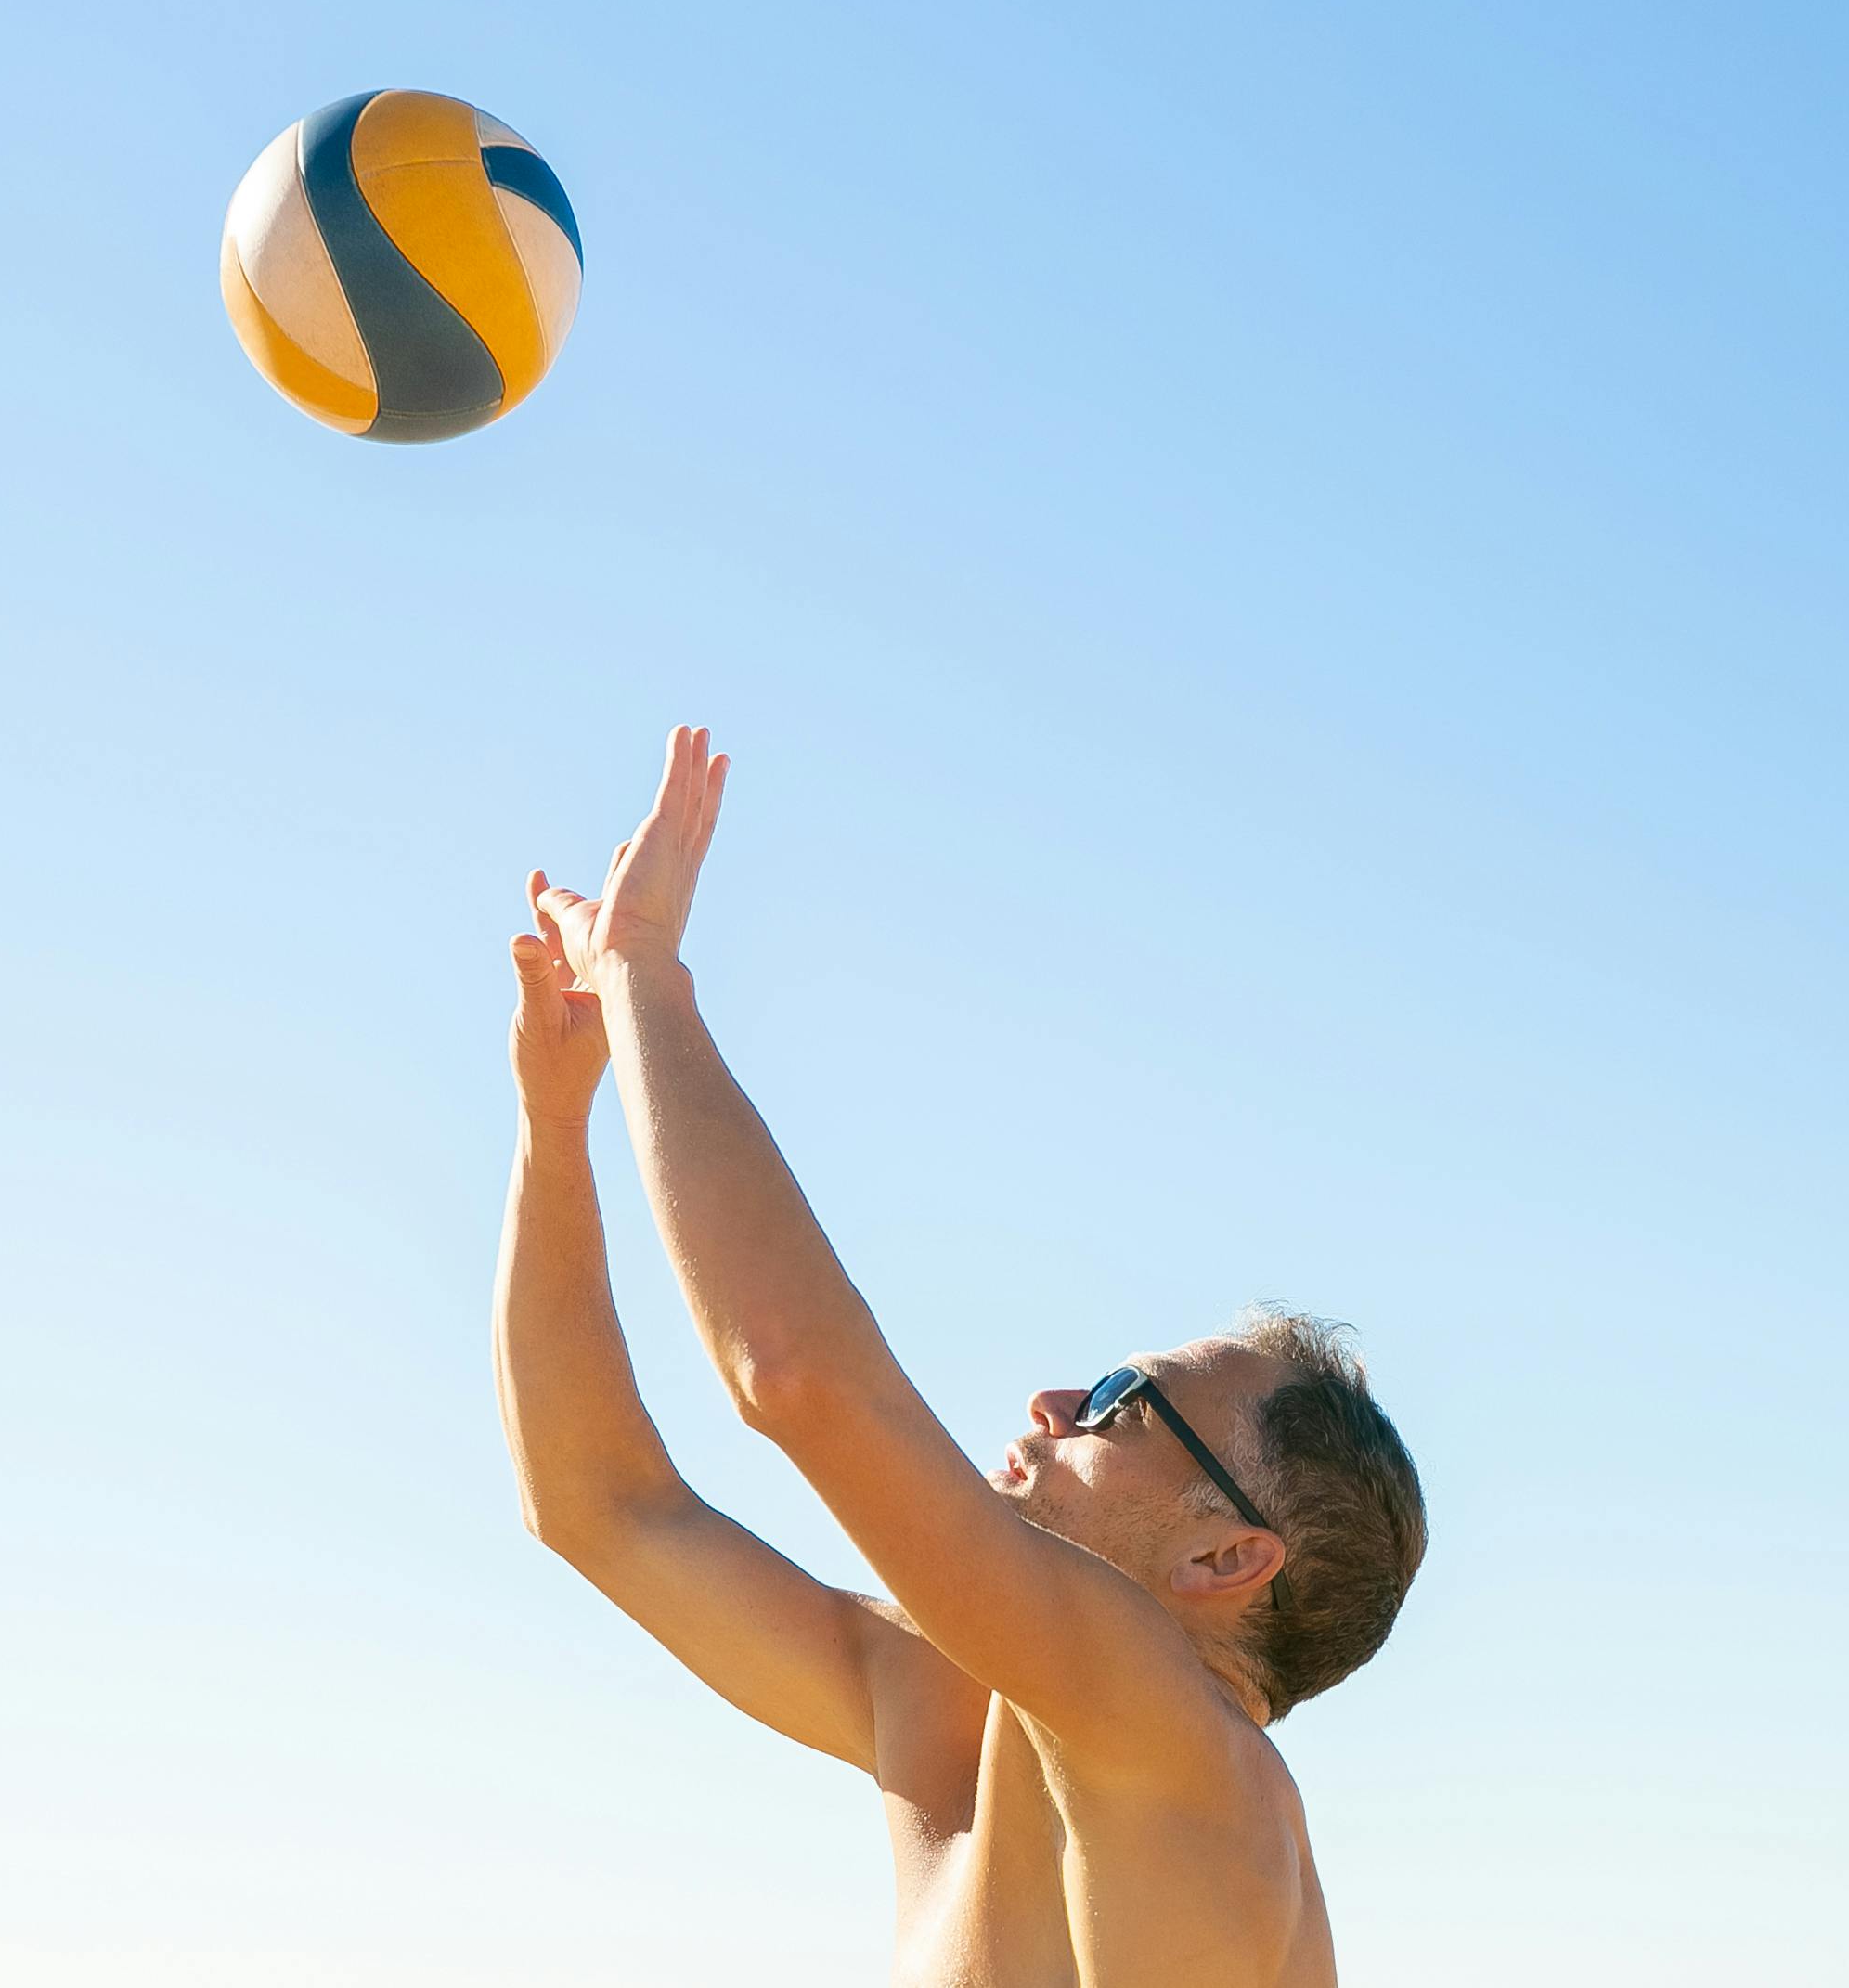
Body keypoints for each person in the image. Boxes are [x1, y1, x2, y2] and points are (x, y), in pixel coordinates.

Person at [496, 727, 1427, 1986]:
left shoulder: (1188, 1756)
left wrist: (644, 971)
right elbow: (598, 1506)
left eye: (1121, 1404)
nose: (1053, 1398)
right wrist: (555, 1130)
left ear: (1225, 1555)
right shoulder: (967, 1714)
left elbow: (794, 1374)